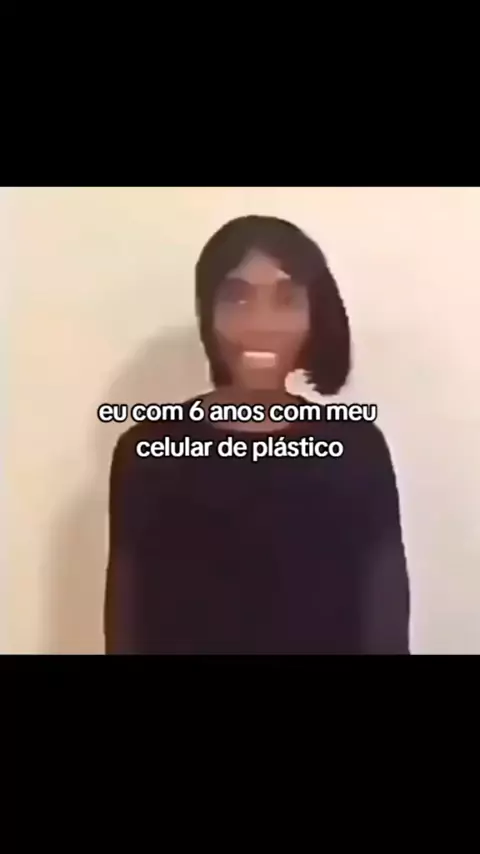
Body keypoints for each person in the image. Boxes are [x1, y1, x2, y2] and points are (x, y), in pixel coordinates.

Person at [104, 215, 410, 654]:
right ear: (208, 312)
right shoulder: (148, 453)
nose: (260, 323)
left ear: (315, 314)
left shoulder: (356, 451)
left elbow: (386, 626)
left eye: (285, 299)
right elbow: (126, 628)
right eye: (238, 298)